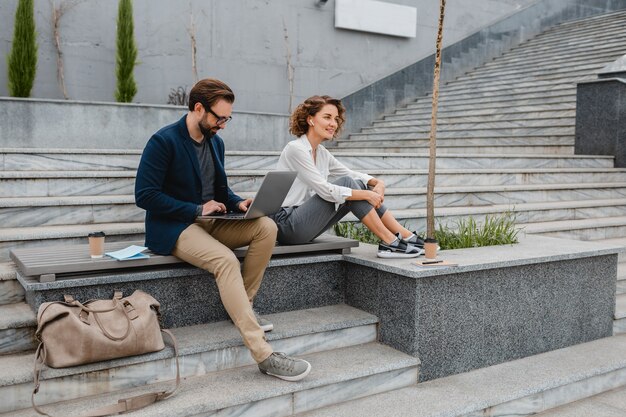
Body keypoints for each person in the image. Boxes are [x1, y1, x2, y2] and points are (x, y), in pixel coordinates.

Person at [135, 78, 311, 381]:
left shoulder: (216, 142)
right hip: (176, 226)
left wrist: (239, 202)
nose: (224, 125)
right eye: (219, 118)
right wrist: (195, 209)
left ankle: (245, 306)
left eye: (228, 118)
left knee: (266, 227)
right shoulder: (163, 141)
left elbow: (220, 189)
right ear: (199, 108)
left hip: (212, 221)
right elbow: (145, 195)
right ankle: (264, 354)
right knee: (225, 260)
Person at [271, 95, 424, 258]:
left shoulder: (322, 153)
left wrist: (377, 182)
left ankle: (405, 236)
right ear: (310, 120)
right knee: (349, 186)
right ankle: (390, 241)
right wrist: (367, 194)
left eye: (336, 119)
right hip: (287, 225)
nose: (333, 124)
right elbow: (325, 190)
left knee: (356, 184)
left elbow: (349, 173)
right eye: (327, 117)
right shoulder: (296, 149)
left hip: (306, 222)